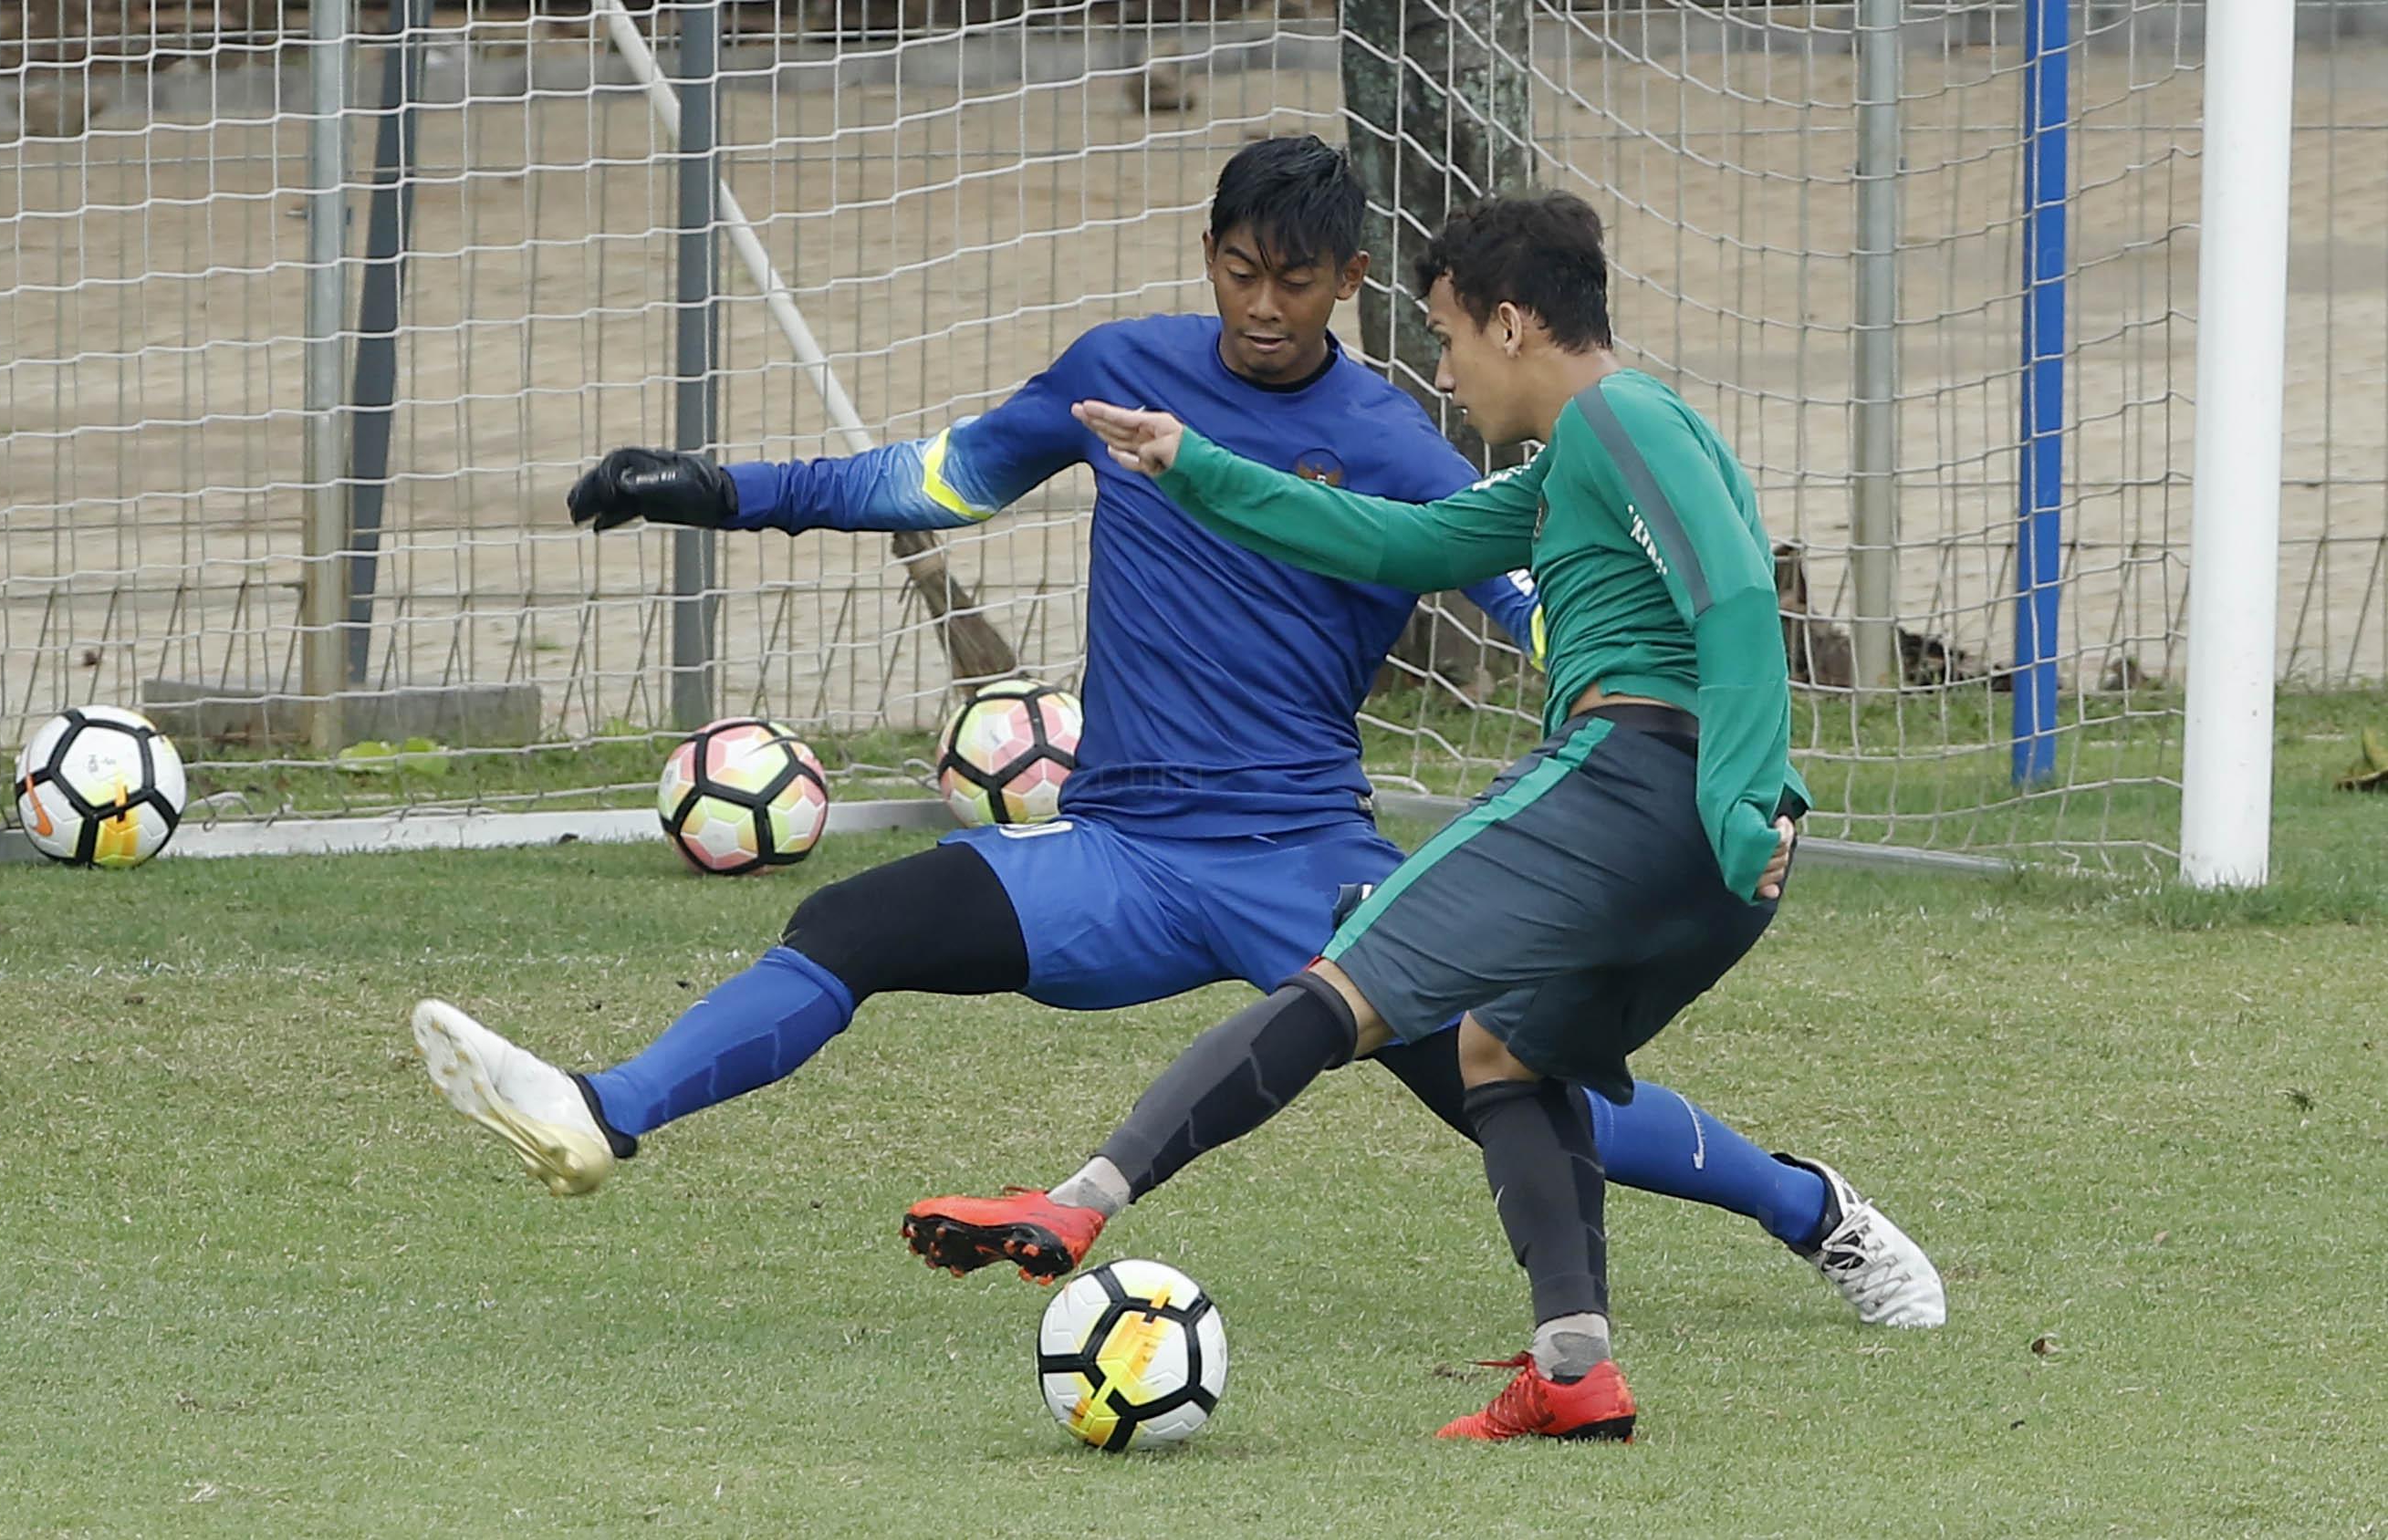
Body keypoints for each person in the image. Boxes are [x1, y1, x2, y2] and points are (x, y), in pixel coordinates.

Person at [409, 139, 1940, 1329]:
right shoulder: (1117, 379)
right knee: (860, 919)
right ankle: (601, 1114)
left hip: (1306, 860)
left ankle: (1814, 1213)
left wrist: (1645, 758)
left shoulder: (1402, 447)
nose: (1261, 307)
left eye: (1296, 279)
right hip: (1126, 852)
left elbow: (1547, 591)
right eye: (1236, 270)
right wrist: (722, 489)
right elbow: (928, 483)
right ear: (1209, 261)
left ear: (1349, 281)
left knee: (1517, 1088)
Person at [909, 189, 1944, 1442]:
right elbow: (1389, 542)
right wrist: (1196, 465)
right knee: (1502, 1056)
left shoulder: (1624, 417)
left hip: (1637, 781)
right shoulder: (1577, 462)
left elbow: (1730, 592)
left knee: (1344, 977)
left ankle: (1081, 1200)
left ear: (1511, 325)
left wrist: (1743, 800)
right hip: (1693, 844)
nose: (1443, 374)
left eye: (1449, 338)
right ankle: (1575, 1372)